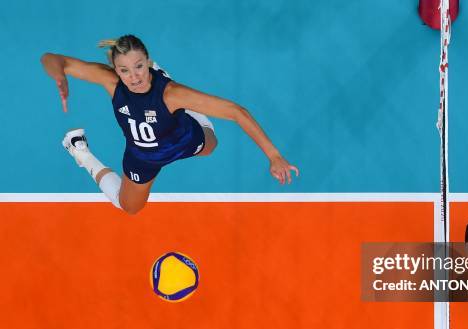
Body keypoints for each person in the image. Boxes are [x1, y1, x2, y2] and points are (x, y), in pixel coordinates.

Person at [41, 34, 299, 215]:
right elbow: (52, 58)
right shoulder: (112, 82)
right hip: (142, 155)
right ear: (116, 70)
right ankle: (80, 153)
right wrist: (58, 74)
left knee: (211, 146)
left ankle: (189, 112)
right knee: (130, 208)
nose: (135, 77)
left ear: (148, 61)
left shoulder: (171, 94)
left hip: (183, 139)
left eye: (140, 66)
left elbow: (236, 112)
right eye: (125, 70)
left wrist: (274, 155)